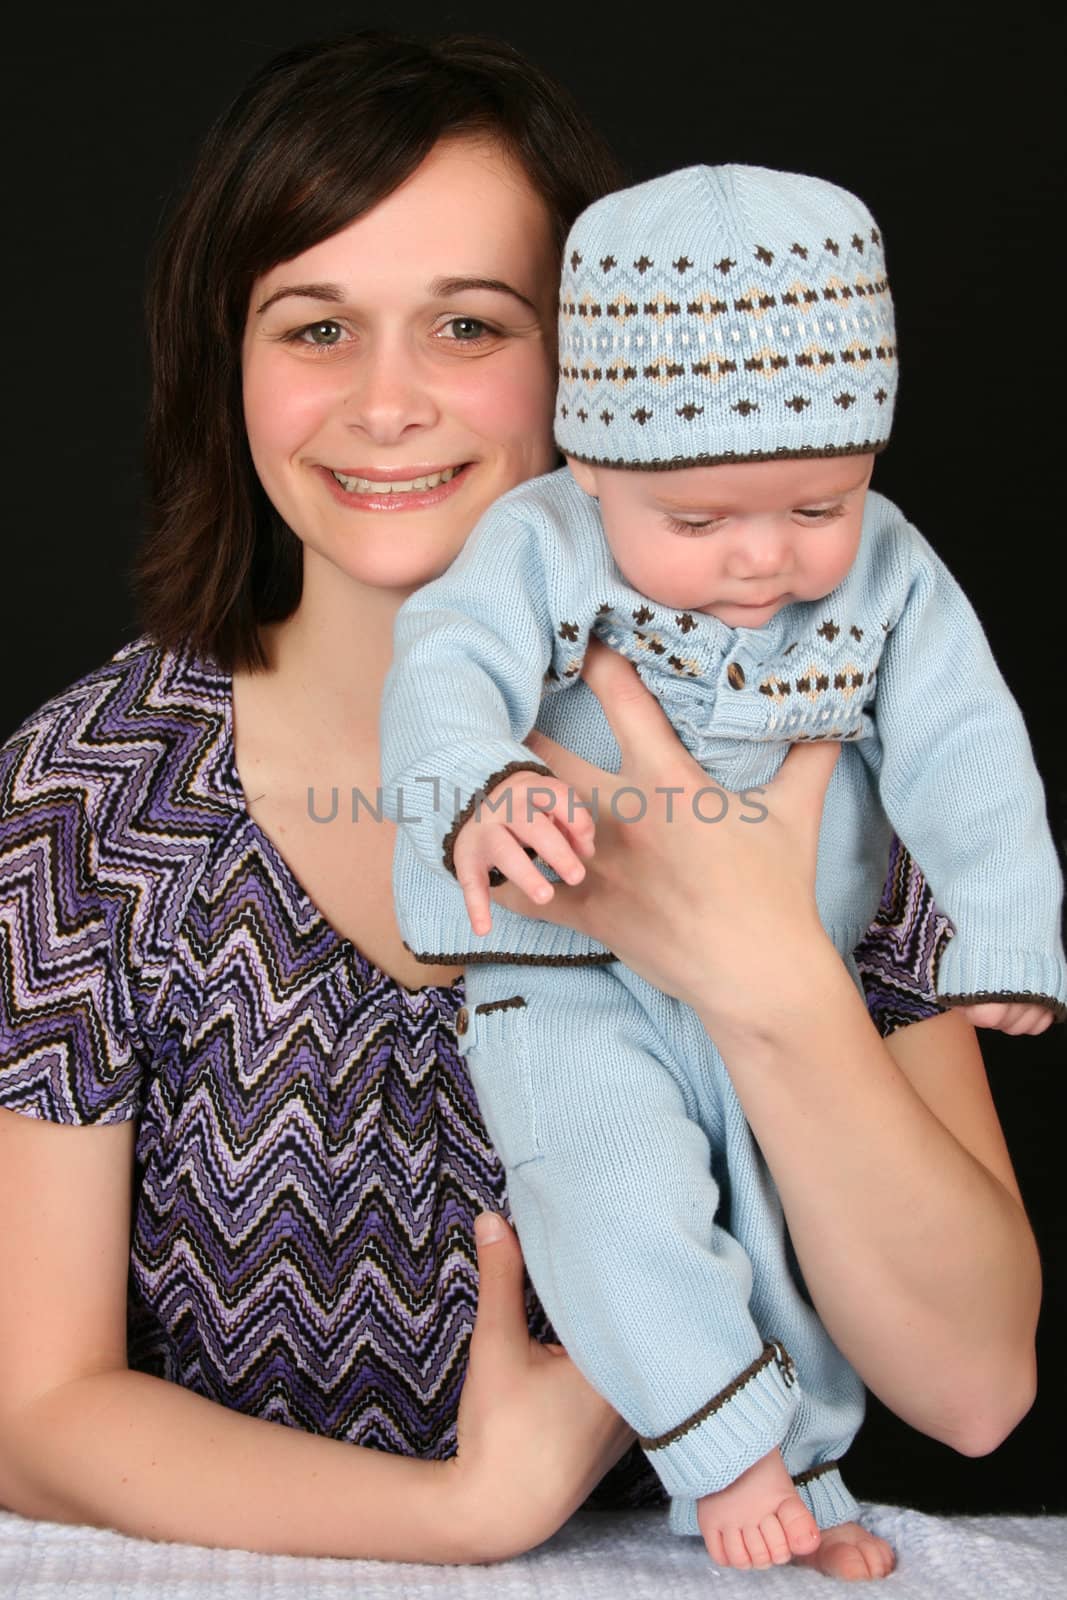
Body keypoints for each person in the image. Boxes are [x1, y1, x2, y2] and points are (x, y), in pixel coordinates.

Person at [0, 31, 1040, 1584]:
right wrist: (468, 1514)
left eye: (472, 324)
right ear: (227, 361)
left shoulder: (814, 725)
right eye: (317, 325)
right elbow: (34, 1410)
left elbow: (974, 1392)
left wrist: (770, 980)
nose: (389, 402)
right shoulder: (92, 795)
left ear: (609, 360)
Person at [380, 164, 1064, 1570]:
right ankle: (728, 1453)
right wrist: (485, 788)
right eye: (696, 526)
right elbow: (442, 669)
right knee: (610, 1193)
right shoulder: (542, 540)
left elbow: (969, 749)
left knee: (781, 1229)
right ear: (593, 463)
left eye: (816, 506)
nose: (766, 561)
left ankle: (801, 1476)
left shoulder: (890, 570)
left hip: (771, 974)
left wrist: (999, 934)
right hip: (563, 967)